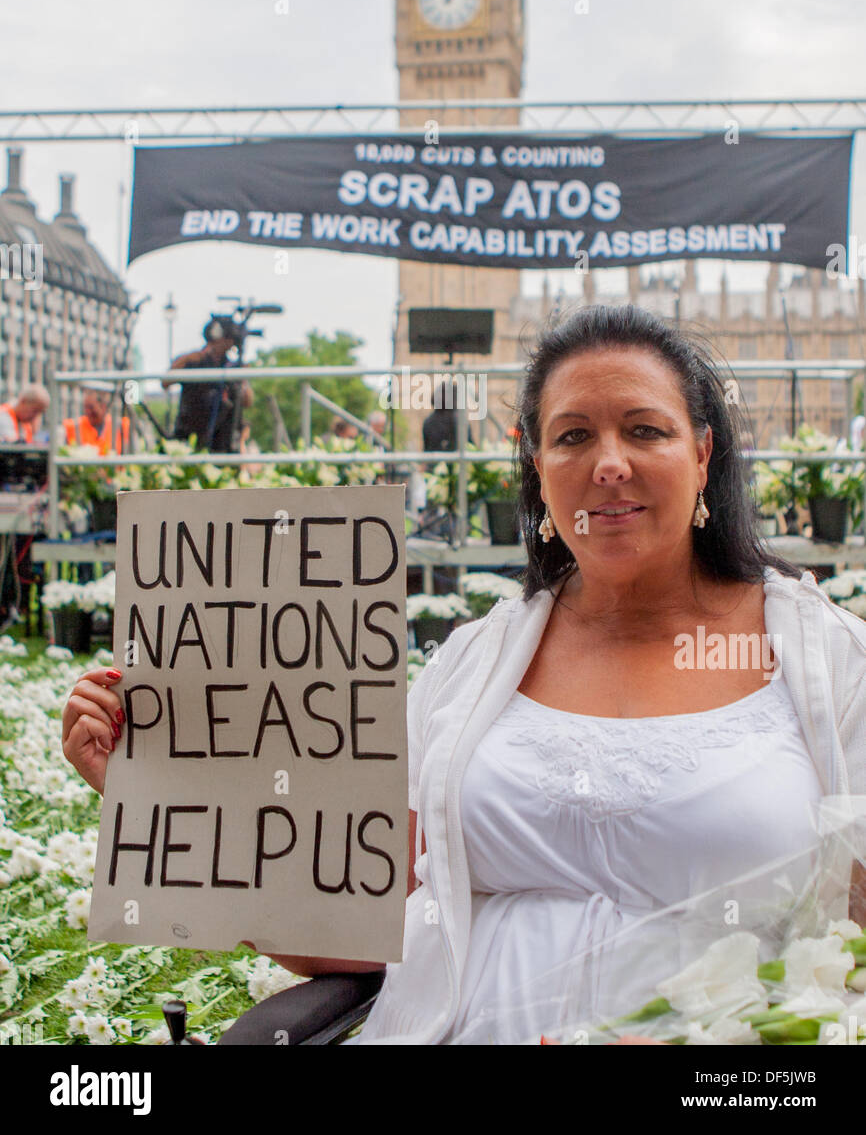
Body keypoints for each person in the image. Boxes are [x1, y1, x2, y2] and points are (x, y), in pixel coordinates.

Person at [61, 303, 866, 1046]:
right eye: (573, 435)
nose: (608, 464)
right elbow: (342, 925)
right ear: (536, 463)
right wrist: (165, 793)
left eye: (645, 431)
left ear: (702, 452)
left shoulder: (826, 661)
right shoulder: (470, 665)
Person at [165, 317, 253, 451]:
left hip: (222, 439)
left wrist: (243, 379)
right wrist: (185, 360)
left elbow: (247, 402)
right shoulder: (194, 360)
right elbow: (165, 382)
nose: (230, 343)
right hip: (190, 432)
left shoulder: (232, 366)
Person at [63, 384, 129, 454]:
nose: (88, 412)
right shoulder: (72, 427)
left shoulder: (121, 426)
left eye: (91, 408)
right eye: (86, 407)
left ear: (104, 406)